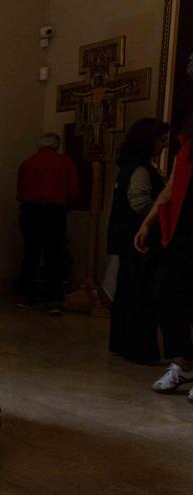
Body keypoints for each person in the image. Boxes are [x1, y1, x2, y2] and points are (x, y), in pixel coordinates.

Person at [134, 118, 193, 402]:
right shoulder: (186, 146)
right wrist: (147, 223)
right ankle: (182, 363)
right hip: (181, 234)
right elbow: (171, 187)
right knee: (167, 295)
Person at [106, 119, 169, 364]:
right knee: (141, 296)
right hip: (139, 240)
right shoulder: (141, 169)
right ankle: (140, 349)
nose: (164, 145)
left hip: (126, 240)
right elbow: (140, 203)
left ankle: (121, 344)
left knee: (127, 293)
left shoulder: (129, 166)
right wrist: (165, 213)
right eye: (161, 140)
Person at [16, 132, 79, 314]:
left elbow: (20, 193)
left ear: (38, 146)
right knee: (54, 255)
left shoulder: (27, 164)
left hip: (29, 212)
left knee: (30, 254)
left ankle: (27, 297)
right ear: (57, 146)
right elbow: (73, 191)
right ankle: (54, 300)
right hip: (54, 212)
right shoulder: (66, 163)